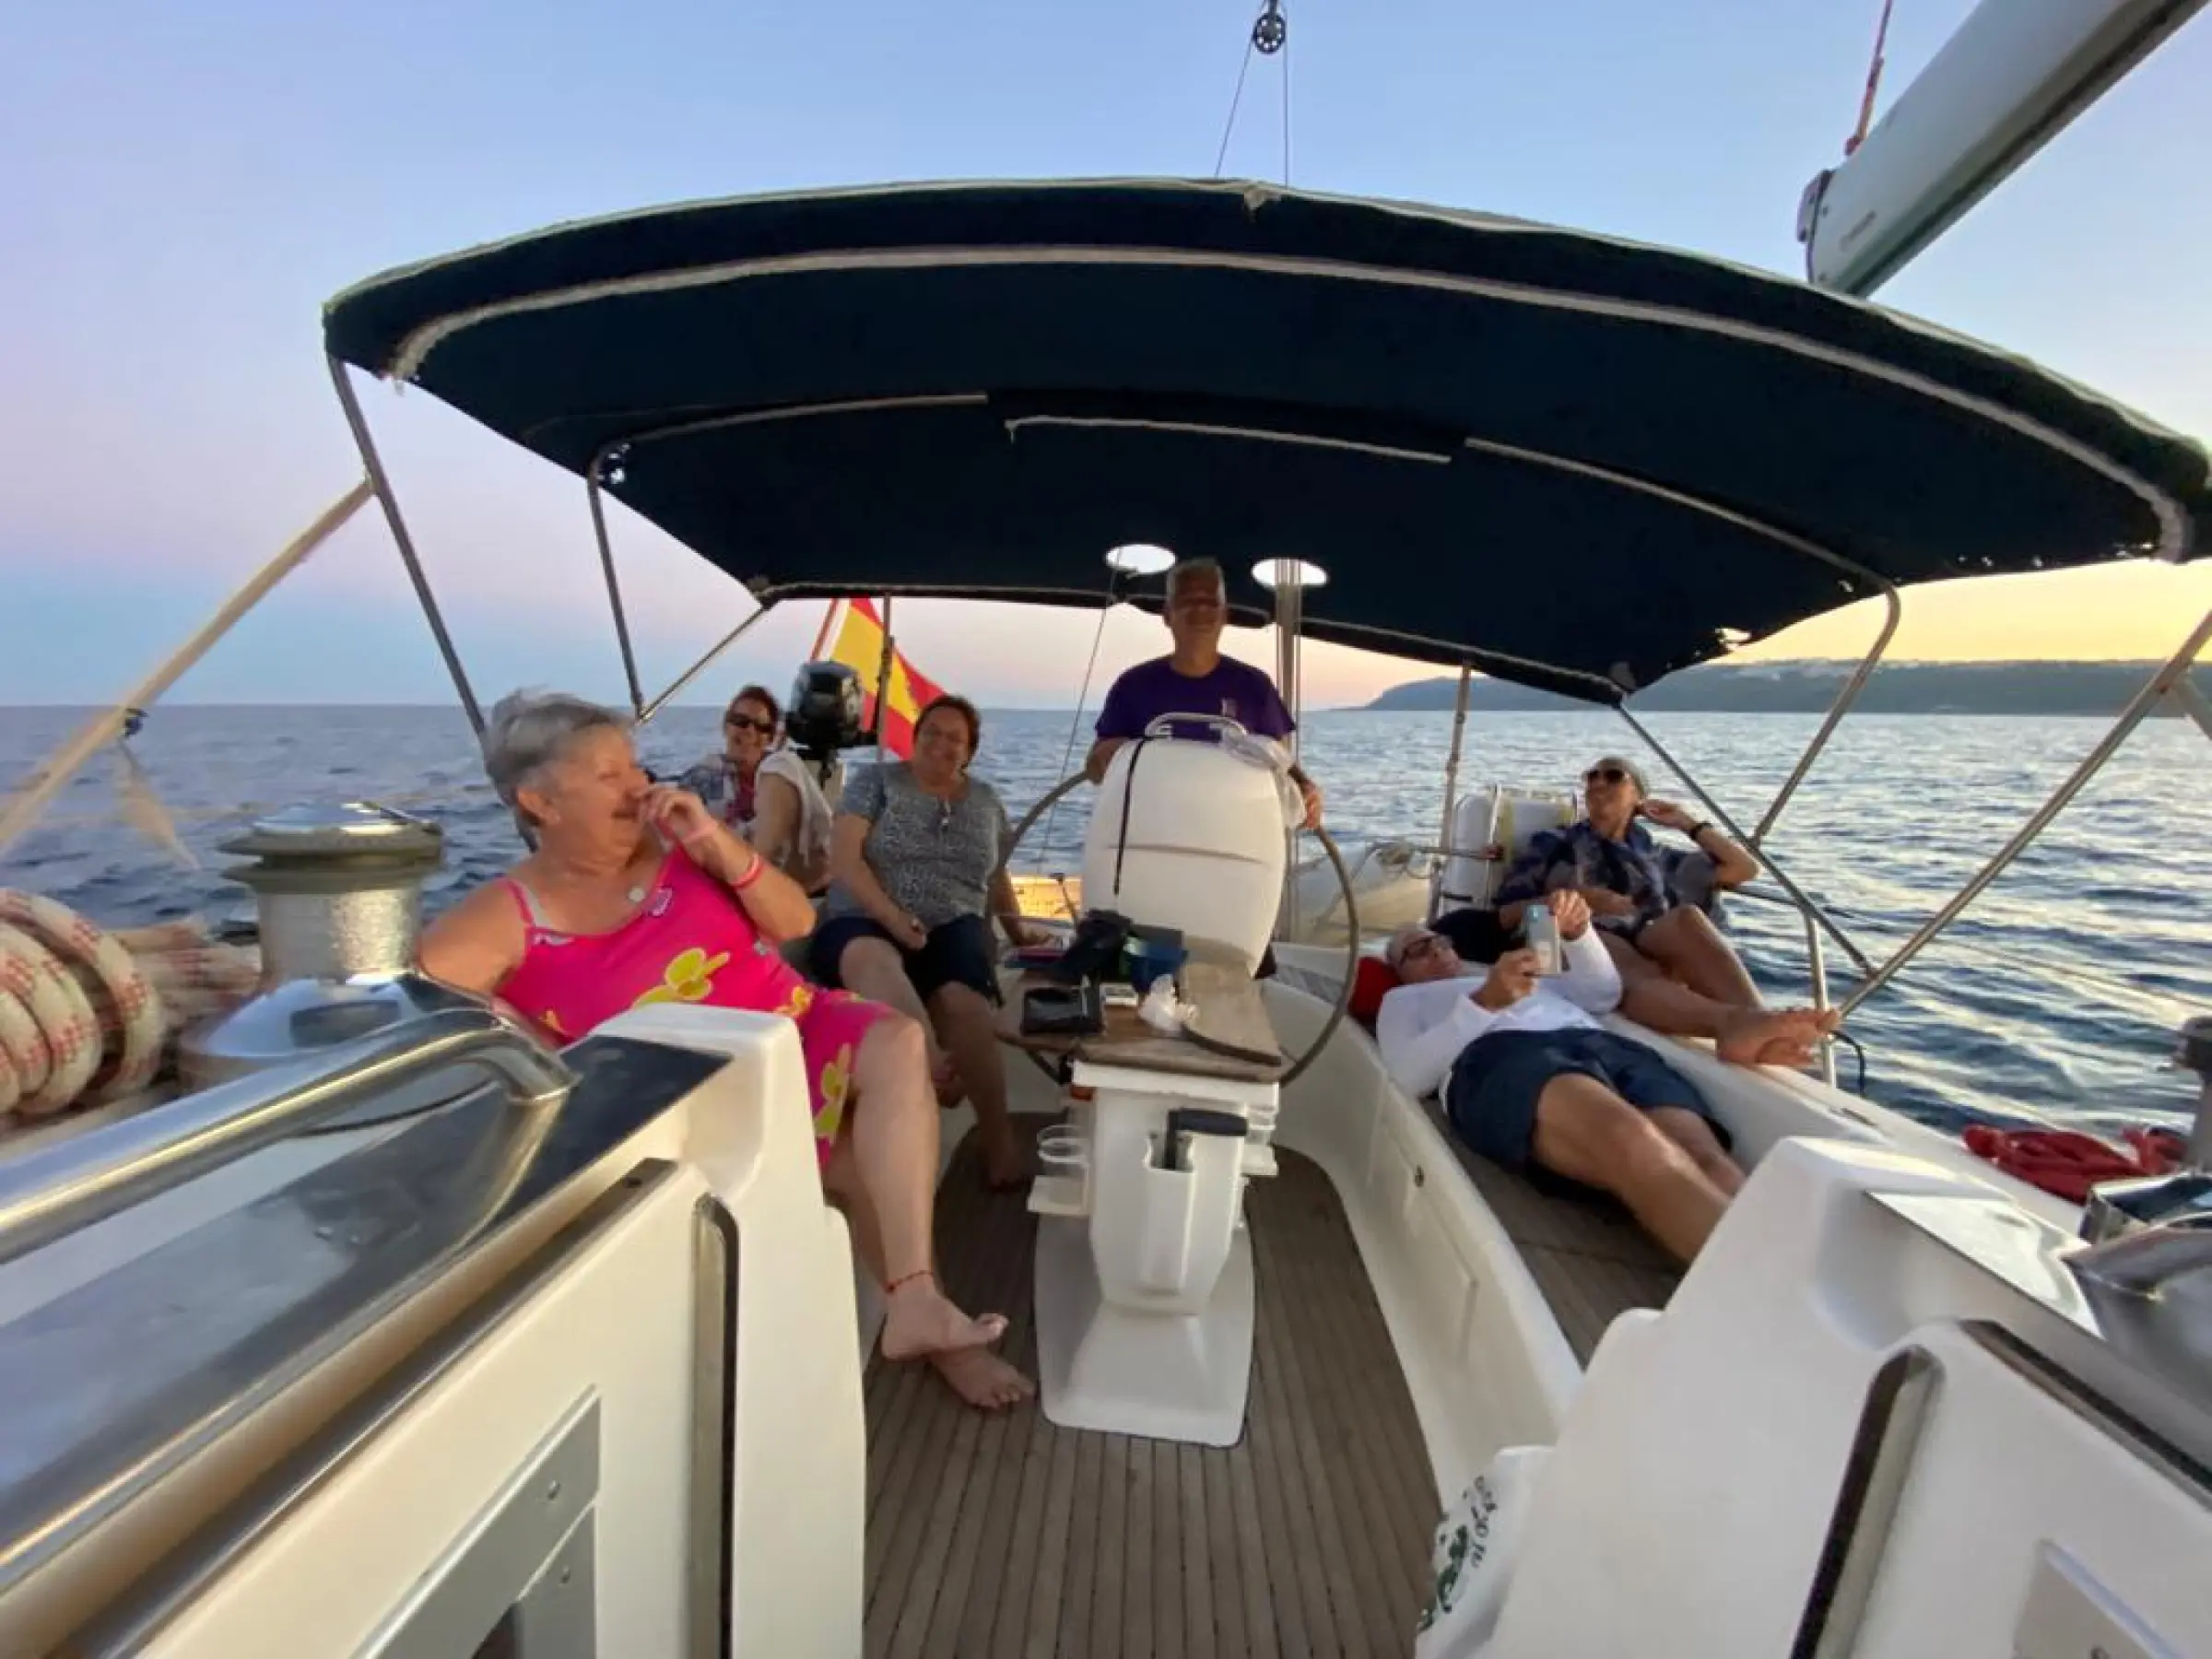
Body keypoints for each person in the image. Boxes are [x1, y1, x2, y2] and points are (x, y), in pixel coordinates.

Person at [420, 690, 1030, 1411]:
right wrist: (529, 1039)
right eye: (610, 775)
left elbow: (796, 920)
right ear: (539, 802)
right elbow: (418, 1006)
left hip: (799, 1026)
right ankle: (930, 1324)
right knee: (858, 1158)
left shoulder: (681, 842)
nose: (639, 785)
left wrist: (715, 840)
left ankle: (919, 1301)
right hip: (708, 1096)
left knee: (897, 1039)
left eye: (635, 766)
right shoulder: (503, 917)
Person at [1376, 892, 1745, 1263]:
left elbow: (1602, 994)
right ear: (1398, 969)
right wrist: (1484, 1003)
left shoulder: (1502, 971)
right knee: (1629, 1138)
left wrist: (1580, 934)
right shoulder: (1405, 1000)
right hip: (1504, 1056)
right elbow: (1407, 1074)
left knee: (1707, 1159)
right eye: (1418, 950)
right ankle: (1753, 1283)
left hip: (1604, 1046)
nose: (1436, 950)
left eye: (1440, 941)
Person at [810, 695, 1050, 1191]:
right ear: (915, 737)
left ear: (970, 752)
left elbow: (997, 873)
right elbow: (846, 859)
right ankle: (937, 1067)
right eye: (931, 732)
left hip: (953, 922)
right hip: (865, 915)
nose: (941, 743)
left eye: (954, 738)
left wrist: (1019, 932)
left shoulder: (986, 801)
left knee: (965, 1002)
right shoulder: (875, 782)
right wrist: (894, 919)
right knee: (871, 957)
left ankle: (1000, 1146)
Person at [1493, 757, 1832, 1066]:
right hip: (1570, 939)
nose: (1598, 782)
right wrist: (1581, 899)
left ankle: (1758, 1027)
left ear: (1639, 797)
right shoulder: (1552, 843)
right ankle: (1730, 1023)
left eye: (1613, 775)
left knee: (1687, 918)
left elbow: (1743, 869)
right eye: (1591, 776)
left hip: (1644, 936)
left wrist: (1687, 823)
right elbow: (1507, 913)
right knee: (1615, 949)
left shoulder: (1656, 856)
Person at [1085, 557, 1324, 830]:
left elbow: (1281, 762)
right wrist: (1110, 756)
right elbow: (1094, 771)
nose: (1200, 609)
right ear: (1167, 615)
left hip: (1233, 833)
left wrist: (1306, 789)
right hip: (1151, 832)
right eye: (1188, 600)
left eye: (1211, 602)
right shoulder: (1132, 685)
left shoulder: (1255, 686)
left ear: (1225, 615)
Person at [676, 684, 835, 892]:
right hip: (723, 879)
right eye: (741, 722)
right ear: (726, 727)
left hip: (790, 878)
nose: (750, 731)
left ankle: (757, 881)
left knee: (784, 763)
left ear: (771, 738)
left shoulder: (784, 771)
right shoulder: (698, 781)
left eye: (763, 727)